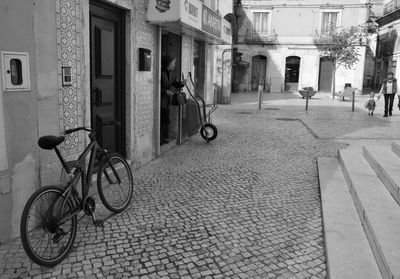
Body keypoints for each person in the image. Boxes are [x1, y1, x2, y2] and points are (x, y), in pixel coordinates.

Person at [160, 55, 185, 144]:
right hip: (161, 100)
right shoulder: (160, 72)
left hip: (167, 100)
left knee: (165, 120)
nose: (174, 65)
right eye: (173, 63)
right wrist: (165, 91)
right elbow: (156, 87)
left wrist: (181, 83)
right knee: (163, 119)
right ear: (168, 63)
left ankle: (163, 138)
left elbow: (174, 83)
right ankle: (160, 139)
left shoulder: (171, 73)